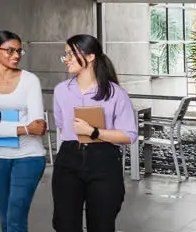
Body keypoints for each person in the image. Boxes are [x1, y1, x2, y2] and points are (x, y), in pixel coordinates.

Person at [52, 34, 136, 232]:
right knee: (64, 223)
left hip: (104, 160)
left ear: (90, 57)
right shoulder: (61, 90)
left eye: (72, 54)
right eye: (65, 55)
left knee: (101, 224)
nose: (67, 59)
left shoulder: (115, 93)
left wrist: (93, 131)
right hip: (68, 157)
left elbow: (129, 135)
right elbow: (63, 127)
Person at [0, 31, 47, 232]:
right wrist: (23, 127)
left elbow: (38, 126)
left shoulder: (30, 80)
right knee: (5, 216)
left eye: (19, 51)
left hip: (29, 156)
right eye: (10, 50)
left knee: (16, 215)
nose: (16, 55)